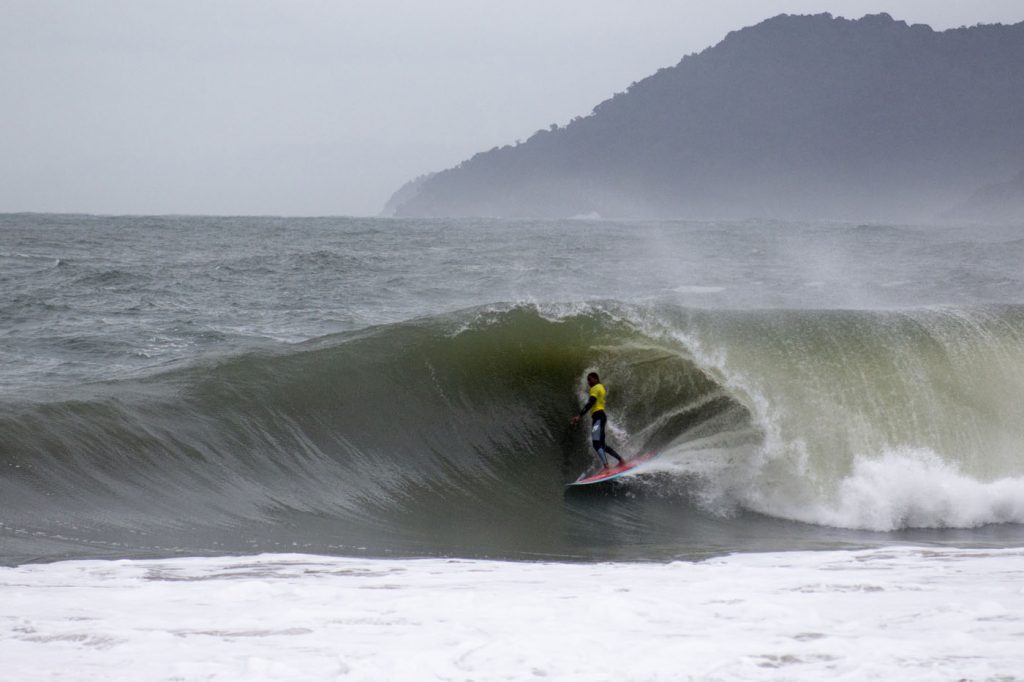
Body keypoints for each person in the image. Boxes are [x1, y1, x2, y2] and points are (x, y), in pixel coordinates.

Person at [570, 371, 626, 470]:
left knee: (596, 443)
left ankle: (606, 466)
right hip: (601, 416)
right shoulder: (601, 388)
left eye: (590, 379)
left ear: (596, 379)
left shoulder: (595, 388)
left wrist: (579, 416)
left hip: (598, 417)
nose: (589, 382)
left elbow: (591, 402)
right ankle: (621, 460)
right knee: (602, 445)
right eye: (588, 380)